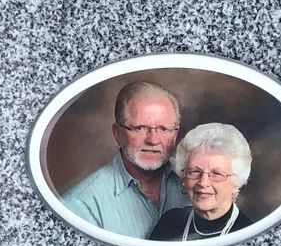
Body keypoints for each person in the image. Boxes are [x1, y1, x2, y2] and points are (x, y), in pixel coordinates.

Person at [60, 80, 190, 237]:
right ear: (118, 133)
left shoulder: (201, 183)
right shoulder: (81, 205)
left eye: (163, 129)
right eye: (139, 128)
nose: (153, 140)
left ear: (175, 133)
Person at [149, 123, 256, 243]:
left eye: (217, 174)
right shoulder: (168, 223)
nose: (203, 183)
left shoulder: (251, 237)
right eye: (195, 171)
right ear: (183, 177)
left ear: (237, 183)